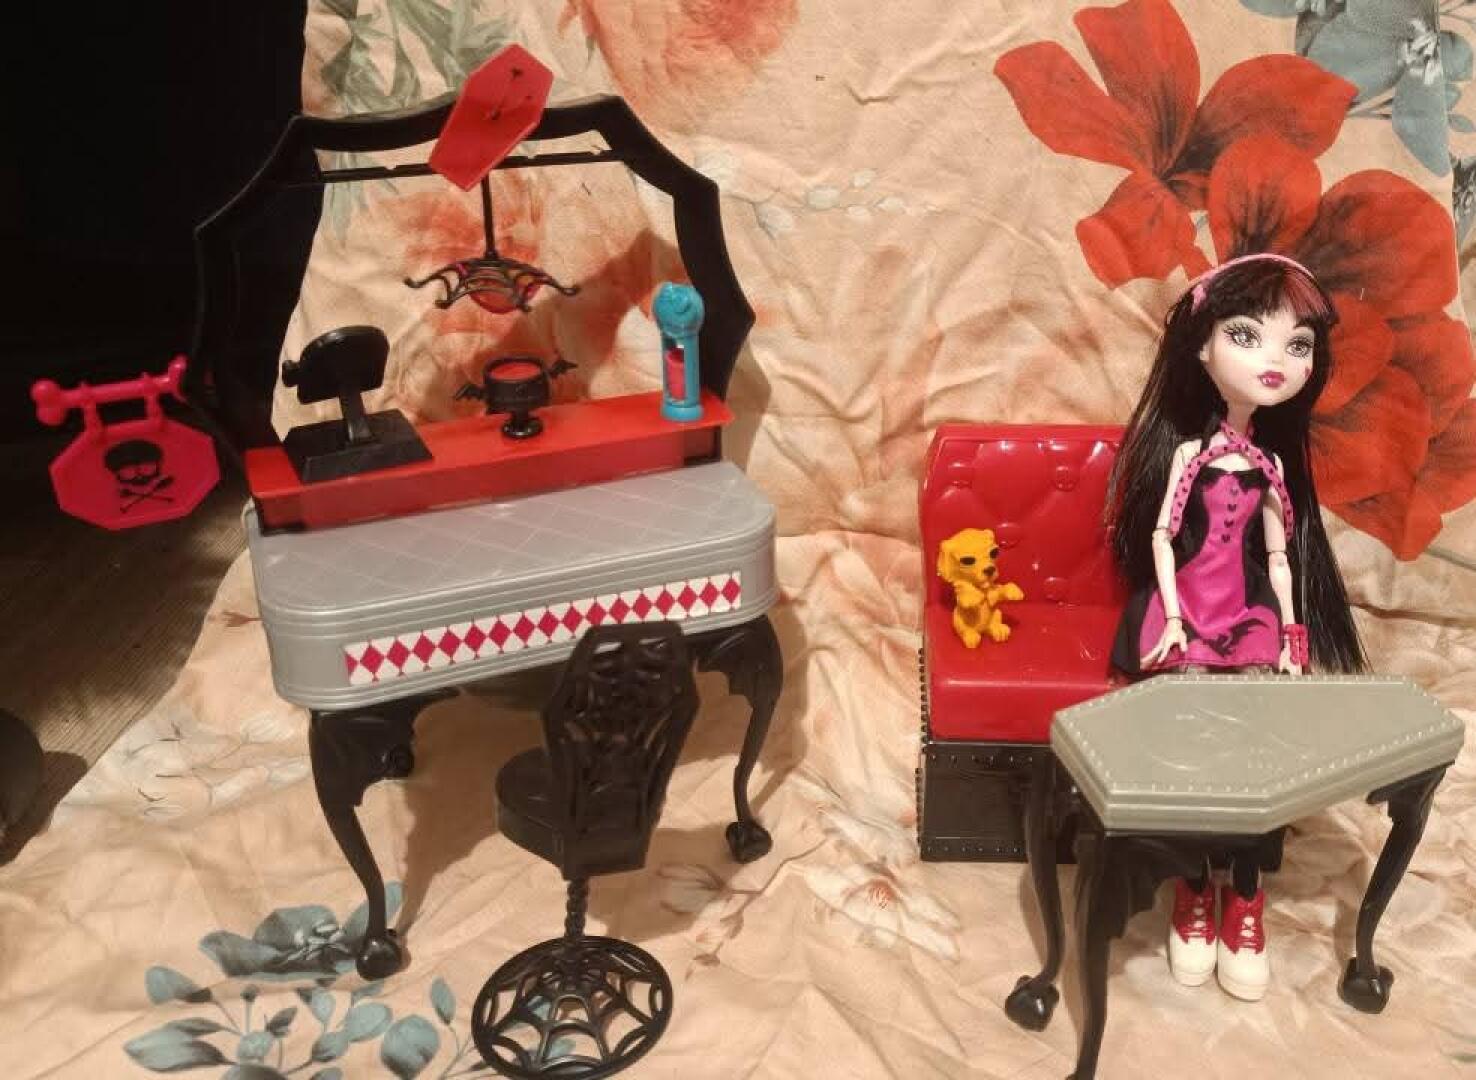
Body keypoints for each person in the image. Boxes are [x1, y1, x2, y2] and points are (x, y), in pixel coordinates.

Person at [1105, 252, 1366, 1001]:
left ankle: (1244, 894)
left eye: (1298, 344)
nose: (1276, 360)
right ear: (1201, 348)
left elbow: (1280, 554)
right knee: (1194, 752)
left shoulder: (1271, 465)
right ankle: (1194, 885)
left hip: (1249, 615)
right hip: (1190, 610)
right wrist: (1172, 617)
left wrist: (1291, 629)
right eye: (1247, 336)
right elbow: (1162, 538)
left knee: (1258, 754)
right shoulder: (1190, 455)